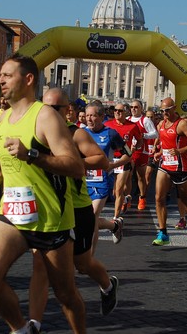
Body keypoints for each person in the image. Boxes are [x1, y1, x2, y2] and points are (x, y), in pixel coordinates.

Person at [0, 55, 87, 334]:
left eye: (7, 75)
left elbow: (75, 167)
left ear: (28, 80)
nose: (0, 80)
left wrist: (32, 154)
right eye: (0, 75)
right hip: (13, 213)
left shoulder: (45, 115)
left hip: (51, 219)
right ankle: (21, 329)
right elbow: (8, 168)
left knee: (65, 295)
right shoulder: (2, 120)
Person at [24, 88, 116, 333]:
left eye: (56, 108)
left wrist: (69, 164)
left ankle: (108, 285)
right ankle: (34, 324)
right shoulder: (35, 135)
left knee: (83, 265)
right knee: (40, 265)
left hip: (77, 208)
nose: (50, 113)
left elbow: (102, 160)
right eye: (47, 108)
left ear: (68, 111)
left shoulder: (75, 134)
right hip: (47, 209)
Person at [152, 97, 187, 246]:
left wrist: (180, 151)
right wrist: (159, 152)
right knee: (159, 197)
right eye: (162, 111)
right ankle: (163, 233)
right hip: (165, 164)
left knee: (185, 198)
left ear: (174, 108)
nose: (164, 113)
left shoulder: (182, 124)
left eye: (167, 110)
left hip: (180, 166)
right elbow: (163, 142)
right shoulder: (161, 124)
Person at [84, 101, 130, 250]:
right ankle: (114, 225)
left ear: (102, 116)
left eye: (93, 116)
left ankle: (88, 260)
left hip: (102, 181)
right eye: (87, 115)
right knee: (89, 220)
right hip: (83, 181)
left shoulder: (110, 133)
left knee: (91, 218)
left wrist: (112, 165)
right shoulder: (81, 133)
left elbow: (127, 155)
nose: (89, 119)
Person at [105, 102, 142, 216]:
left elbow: (140, 140)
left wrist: (136, 147)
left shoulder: (132, 126)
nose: (117, 112)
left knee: (119, 189)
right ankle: (125, 199)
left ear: (125, 112)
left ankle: (116, 217)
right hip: (110, 159)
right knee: (115, 192)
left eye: (120, 111)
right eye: (115, 110)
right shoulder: (107, 124)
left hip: (124, 158)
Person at [127, 99, 158, 210]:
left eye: (136, 107)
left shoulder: (145, 120)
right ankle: (127, 198)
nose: (133, 109)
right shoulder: (127, 119)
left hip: (142, 151)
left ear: (141, 109)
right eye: (132, 107)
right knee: (127, 176)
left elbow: (155, 133)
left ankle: (142, 197)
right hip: (130, 151)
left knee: (141, 177)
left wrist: (142, 135)